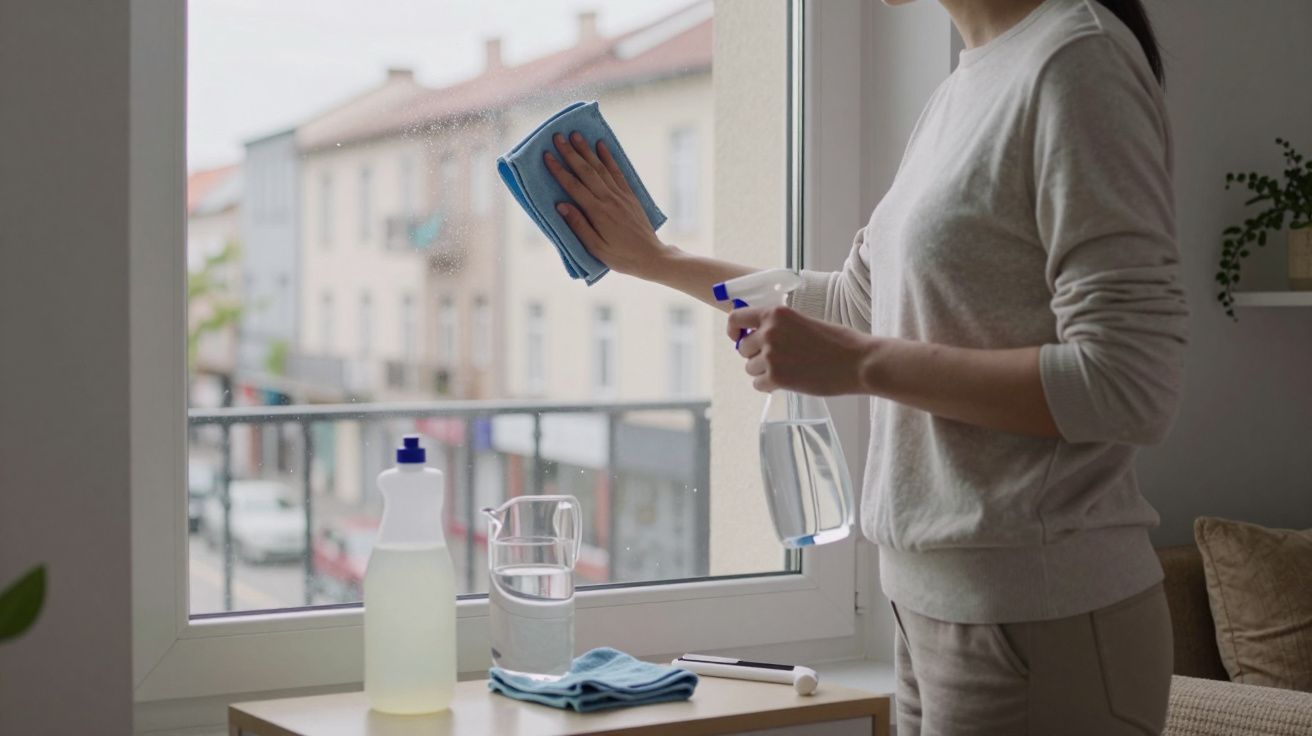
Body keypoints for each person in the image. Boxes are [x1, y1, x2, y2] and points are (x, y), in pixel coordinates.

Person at [544, 0, 1187, 732]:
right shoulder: (968, 82)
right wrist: (658, 261)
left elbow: (1130, 383)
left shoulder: (1078, 61)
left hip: (1040, 625)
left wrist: (862, 365)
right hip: (929, 617)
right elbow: (855, 305)